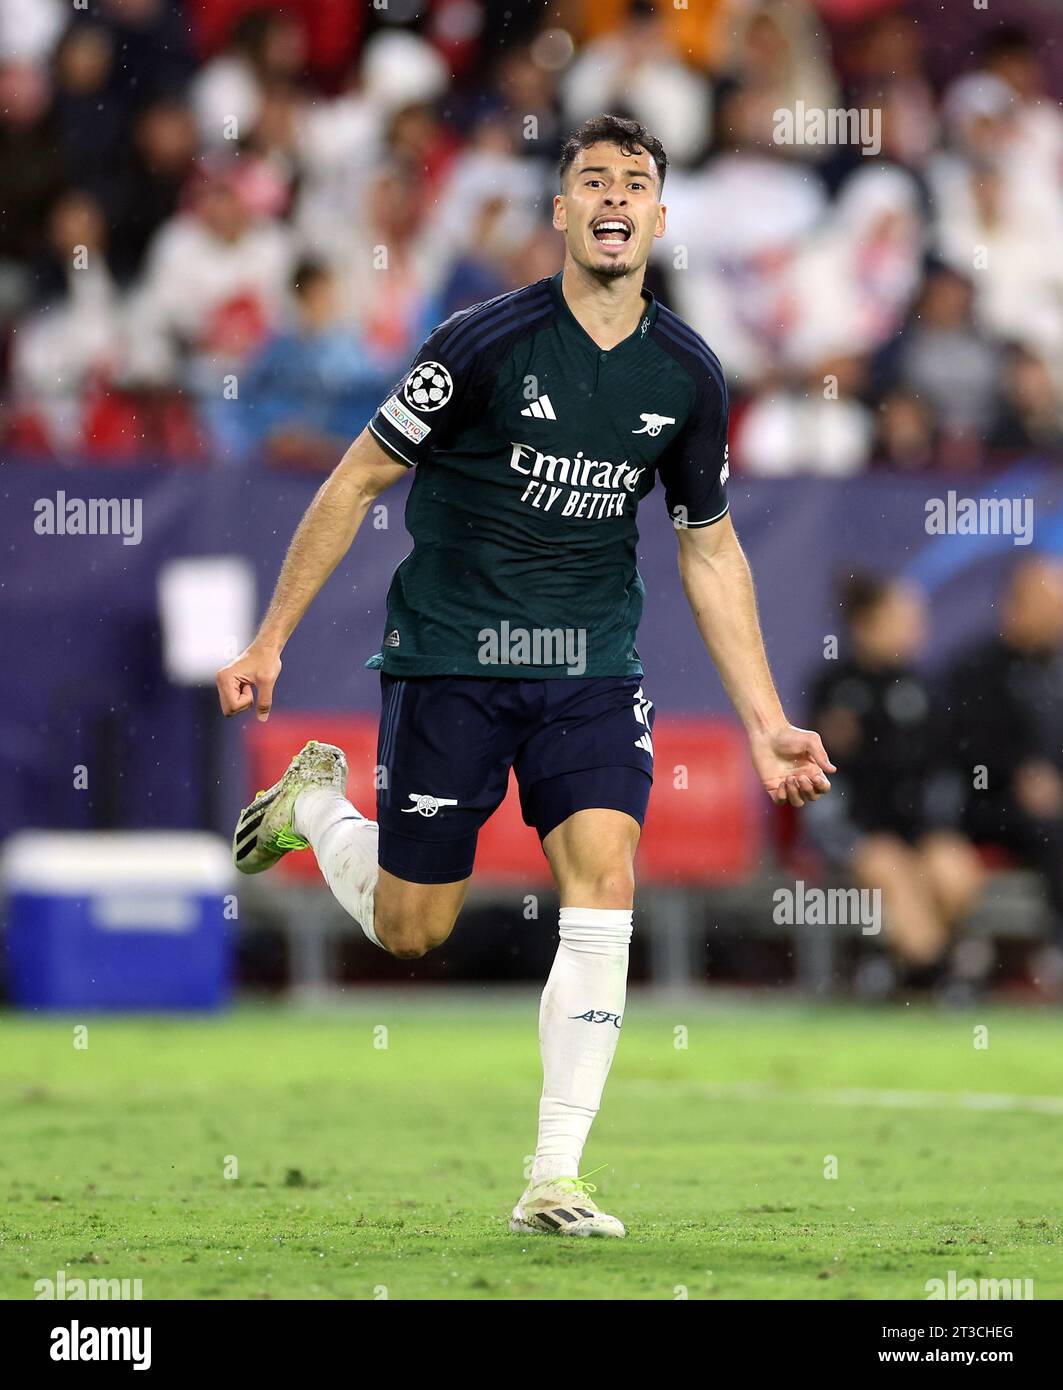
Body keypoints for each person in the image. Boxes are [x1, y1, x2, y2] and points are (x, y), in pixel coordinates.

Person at [215, 115, 834, 1239]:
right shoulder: (480, 343)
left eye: (635, 182)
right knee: (413, 928)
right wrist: (270, 641)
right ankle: (314, 800)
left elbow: (709, 546)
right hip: (452, 655)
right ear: (559, 212)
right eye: (590, 179)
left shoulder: (687, 372)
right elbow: (356, 481)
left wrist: (766, 719)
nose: (613, 197)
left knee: (604, 871)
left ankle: (554, 1177)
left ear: (657, 214)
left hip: (590, 664)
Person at [805, 575, 983, 986]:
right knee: (889, 867)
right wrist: (848, 836)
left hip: (919, 829)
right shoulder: (832, 687)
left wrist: (939, 827)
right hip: (859, 830)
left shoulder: (925, 688)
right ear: (867, 623)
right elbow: (823, 773)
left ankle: (897, 967)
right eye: (903, 619)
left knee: (952, 871)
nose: (915, 630)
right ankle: (941, 976)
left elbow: (942, 769)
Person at [944, 557, 1063, 947]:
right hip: (989, 806)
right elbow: (961, 749)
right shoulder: (975, 671)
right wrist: (1015, 775)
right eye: (1050, 608)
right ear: (1017, 606)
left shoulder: (1054, 670)